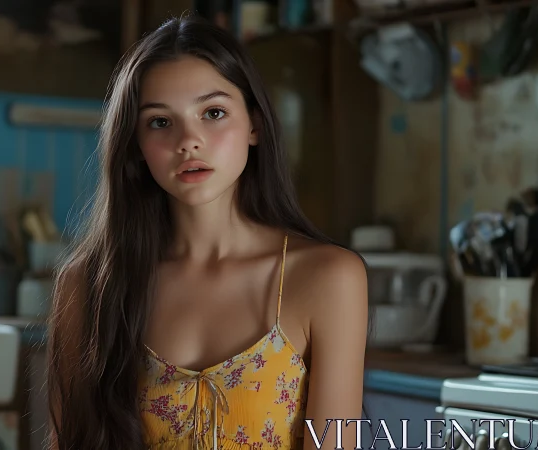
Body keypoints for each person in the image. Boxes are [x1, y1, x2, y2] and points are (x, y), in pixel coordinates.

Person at [47, 13, 369, 450]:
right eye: (160, 122)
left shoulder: (328, 277)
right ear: (136, 145)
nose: (188, 140)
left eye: (213, 113)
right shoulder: (88, 286)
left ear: (254, 124)